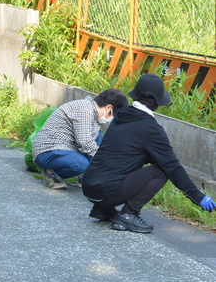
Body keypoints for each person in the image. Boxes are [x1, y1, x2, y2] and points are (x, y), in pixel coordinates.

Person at [82, 74, 216, 233]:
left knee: (128, 160)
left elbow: (127, 151)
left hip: (89, 187)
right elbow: (172, 166)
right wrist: (198, 197)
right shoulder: (151, 128)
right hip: (107, 192)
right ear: (158, 103)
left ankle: (103, 209)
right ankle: (128, 214)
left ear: (136, 95)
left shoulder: (122, 116)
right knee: (162, 171)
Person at [32, 89, 128, 189]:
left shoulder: (92, 113)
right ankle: (51, 172)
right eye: (112, 115)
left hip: (64, 149)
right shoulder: (84, 111)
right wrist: (108, 162)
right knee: (81, 165)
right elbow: (85, 143)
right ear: (109, 108)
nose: (110, 119)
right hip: (47, 151)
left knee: (99, 135)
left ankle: (86, 175)